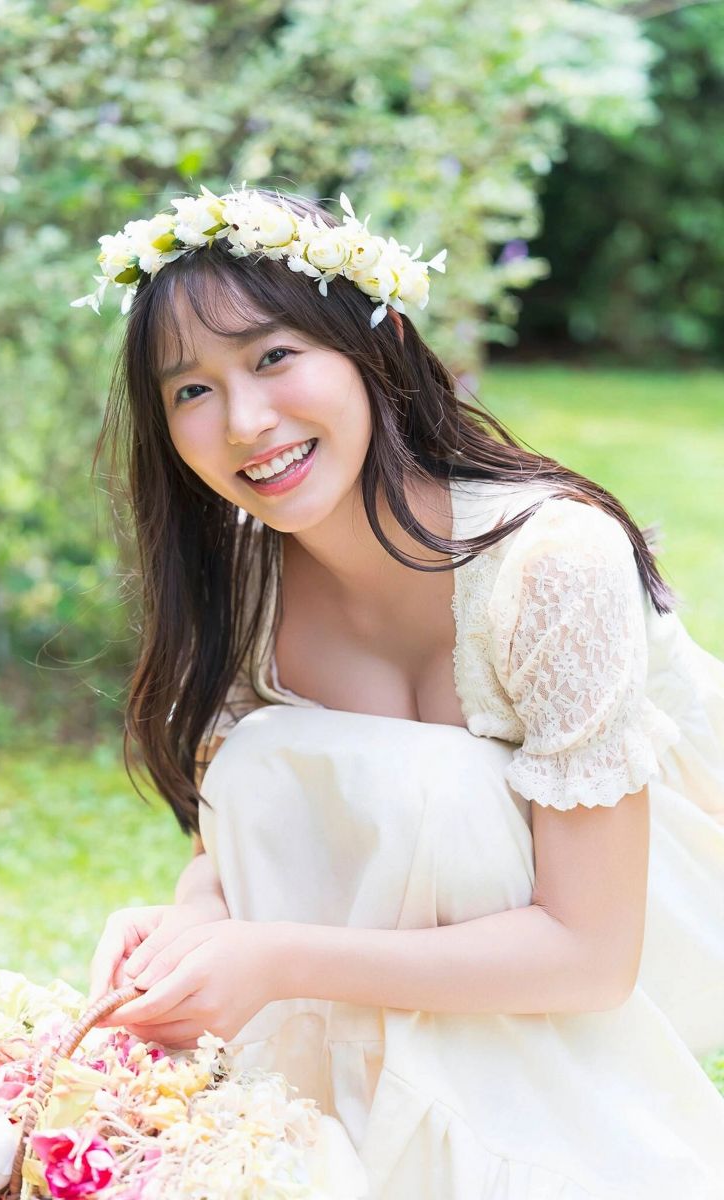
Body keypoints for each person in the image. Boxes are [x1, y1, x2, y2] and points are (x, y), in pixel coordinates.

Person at [79, 184, 724, 1198]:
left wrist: (276, 959)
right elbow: (239, 832)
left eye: (273, 356)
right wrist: (190, 922)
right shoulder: (245, 582)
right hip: (439, 937)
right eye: (190, 390)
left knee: (444, 786)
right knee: (265, 759)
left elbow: (591, 953)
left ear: (369, 347)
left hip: (642, 913)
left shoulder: (548, 563)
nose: (245, 421)